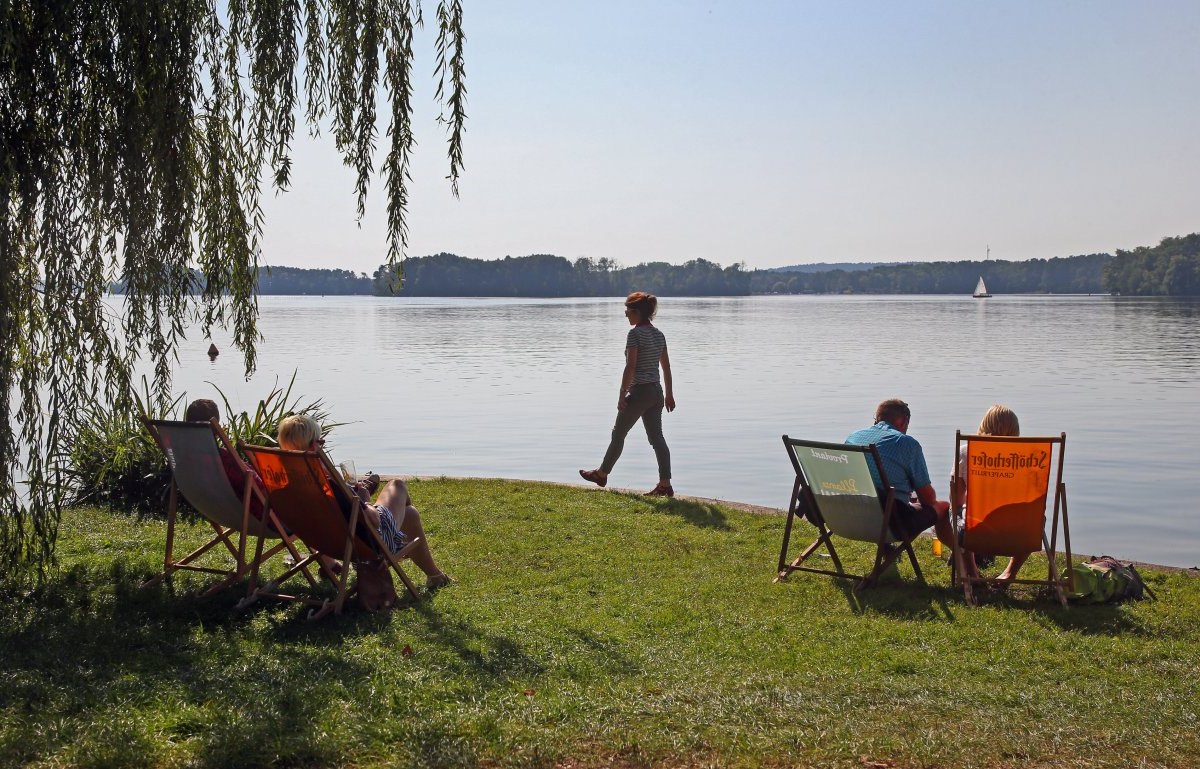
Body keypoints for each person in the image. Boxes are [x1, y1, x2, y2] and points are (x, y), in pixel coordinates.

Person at [276, 414, 452, 603]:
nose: (322, 445)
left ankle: (435, 576)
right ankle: (403, 546)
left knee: (410, 514)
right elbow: (374, 521)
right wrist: (364, 500)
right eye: (321, 441)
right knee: (397, 485)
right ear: (313, 446)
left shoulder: (286, 484)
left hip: (327, 544)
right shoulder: (326, 485)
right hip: (366, 545)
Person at [579, 291, 676, 497]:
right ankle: (665, 484)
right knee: (657, 438)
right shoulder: (659, 335)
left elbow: (630, 367)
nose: (625, 315)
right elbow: (666, 368)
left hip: (640, 392)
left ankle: (602, 474)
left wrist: (622, 394)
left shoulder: (635, 335)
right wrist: (669, 395)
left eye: (628, 311)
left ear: (637, 312)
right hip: (656, 392)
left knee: (618, 434)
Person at [845, 398, 953, 550]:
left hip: (849, 517)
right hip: (890, 523)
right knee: (943, 507)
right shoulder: (906, 444)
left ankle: (887, 550)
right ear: (903, 421)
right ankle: (961, 555)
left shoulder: (853, 438)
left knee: (899, 496)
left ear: (878, 418)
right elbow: (928, 499)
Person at [954, 404, 1031, 583]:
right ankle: (1009, 574)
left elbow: (956, 498)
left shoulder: (967, 452)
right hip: (1021, 532)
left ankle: (972, 571)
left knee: (954, 512)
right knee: (1037, 517)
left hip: (976, 529)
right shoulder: (1028, 457)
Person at [184, 398, 264, 519]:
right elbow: (256, 486)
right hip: (258, 515)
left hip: (215, 511)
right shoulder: (223, 459)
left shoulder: (187, 457)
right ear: (216, 429)